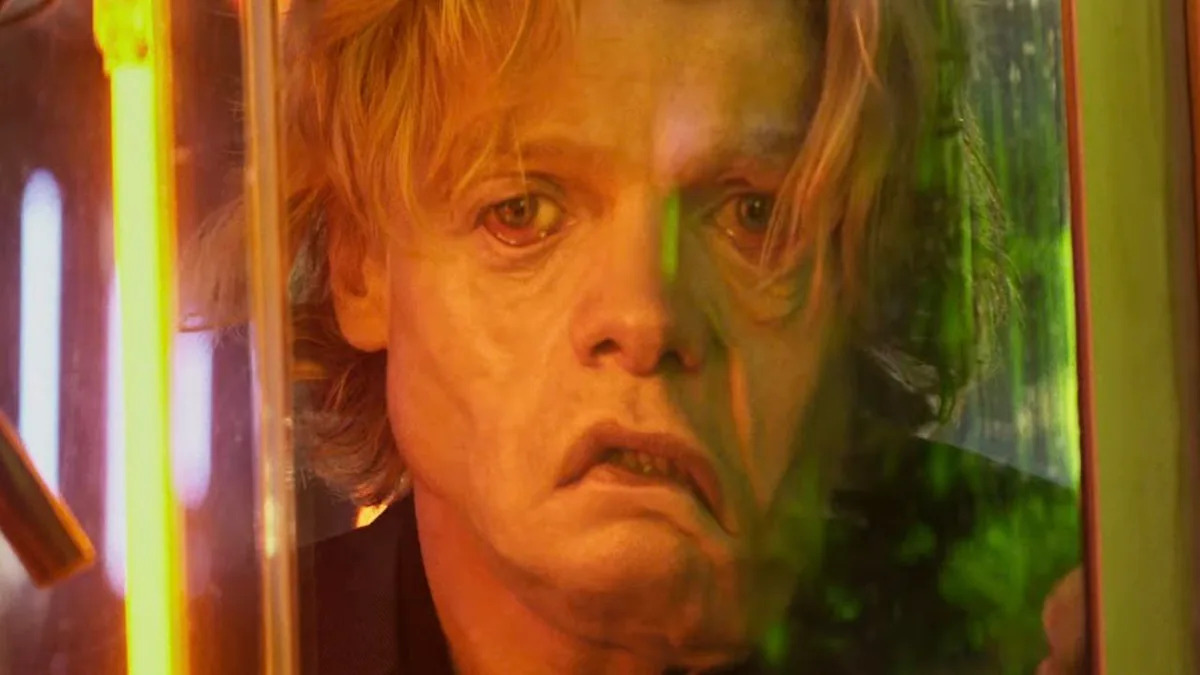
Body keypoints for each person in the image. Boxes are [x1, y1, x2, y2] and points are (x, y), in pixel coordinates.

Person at [188, 0, 1086, 672]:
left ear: (866, 272)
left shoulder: (1085, 614)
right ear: (360, 263)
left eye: (753, 215)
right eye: (522, 210)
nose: (646, 317)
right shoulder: (206, 651)